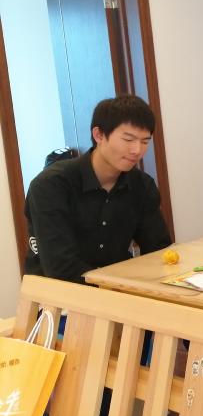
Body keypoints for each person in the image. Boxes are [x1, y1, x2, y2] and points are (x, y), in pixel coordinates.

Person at [25, 95, 171, 284]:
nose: (137, 150)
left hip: (116, 287)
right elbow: (60, 267)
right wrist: (118, 287)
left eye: (144, 141)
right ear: (99, 135)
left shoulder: (142, 185)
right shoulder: (50, 185)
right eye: (128, 139)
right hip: (57, 293)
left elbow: (159, 250)